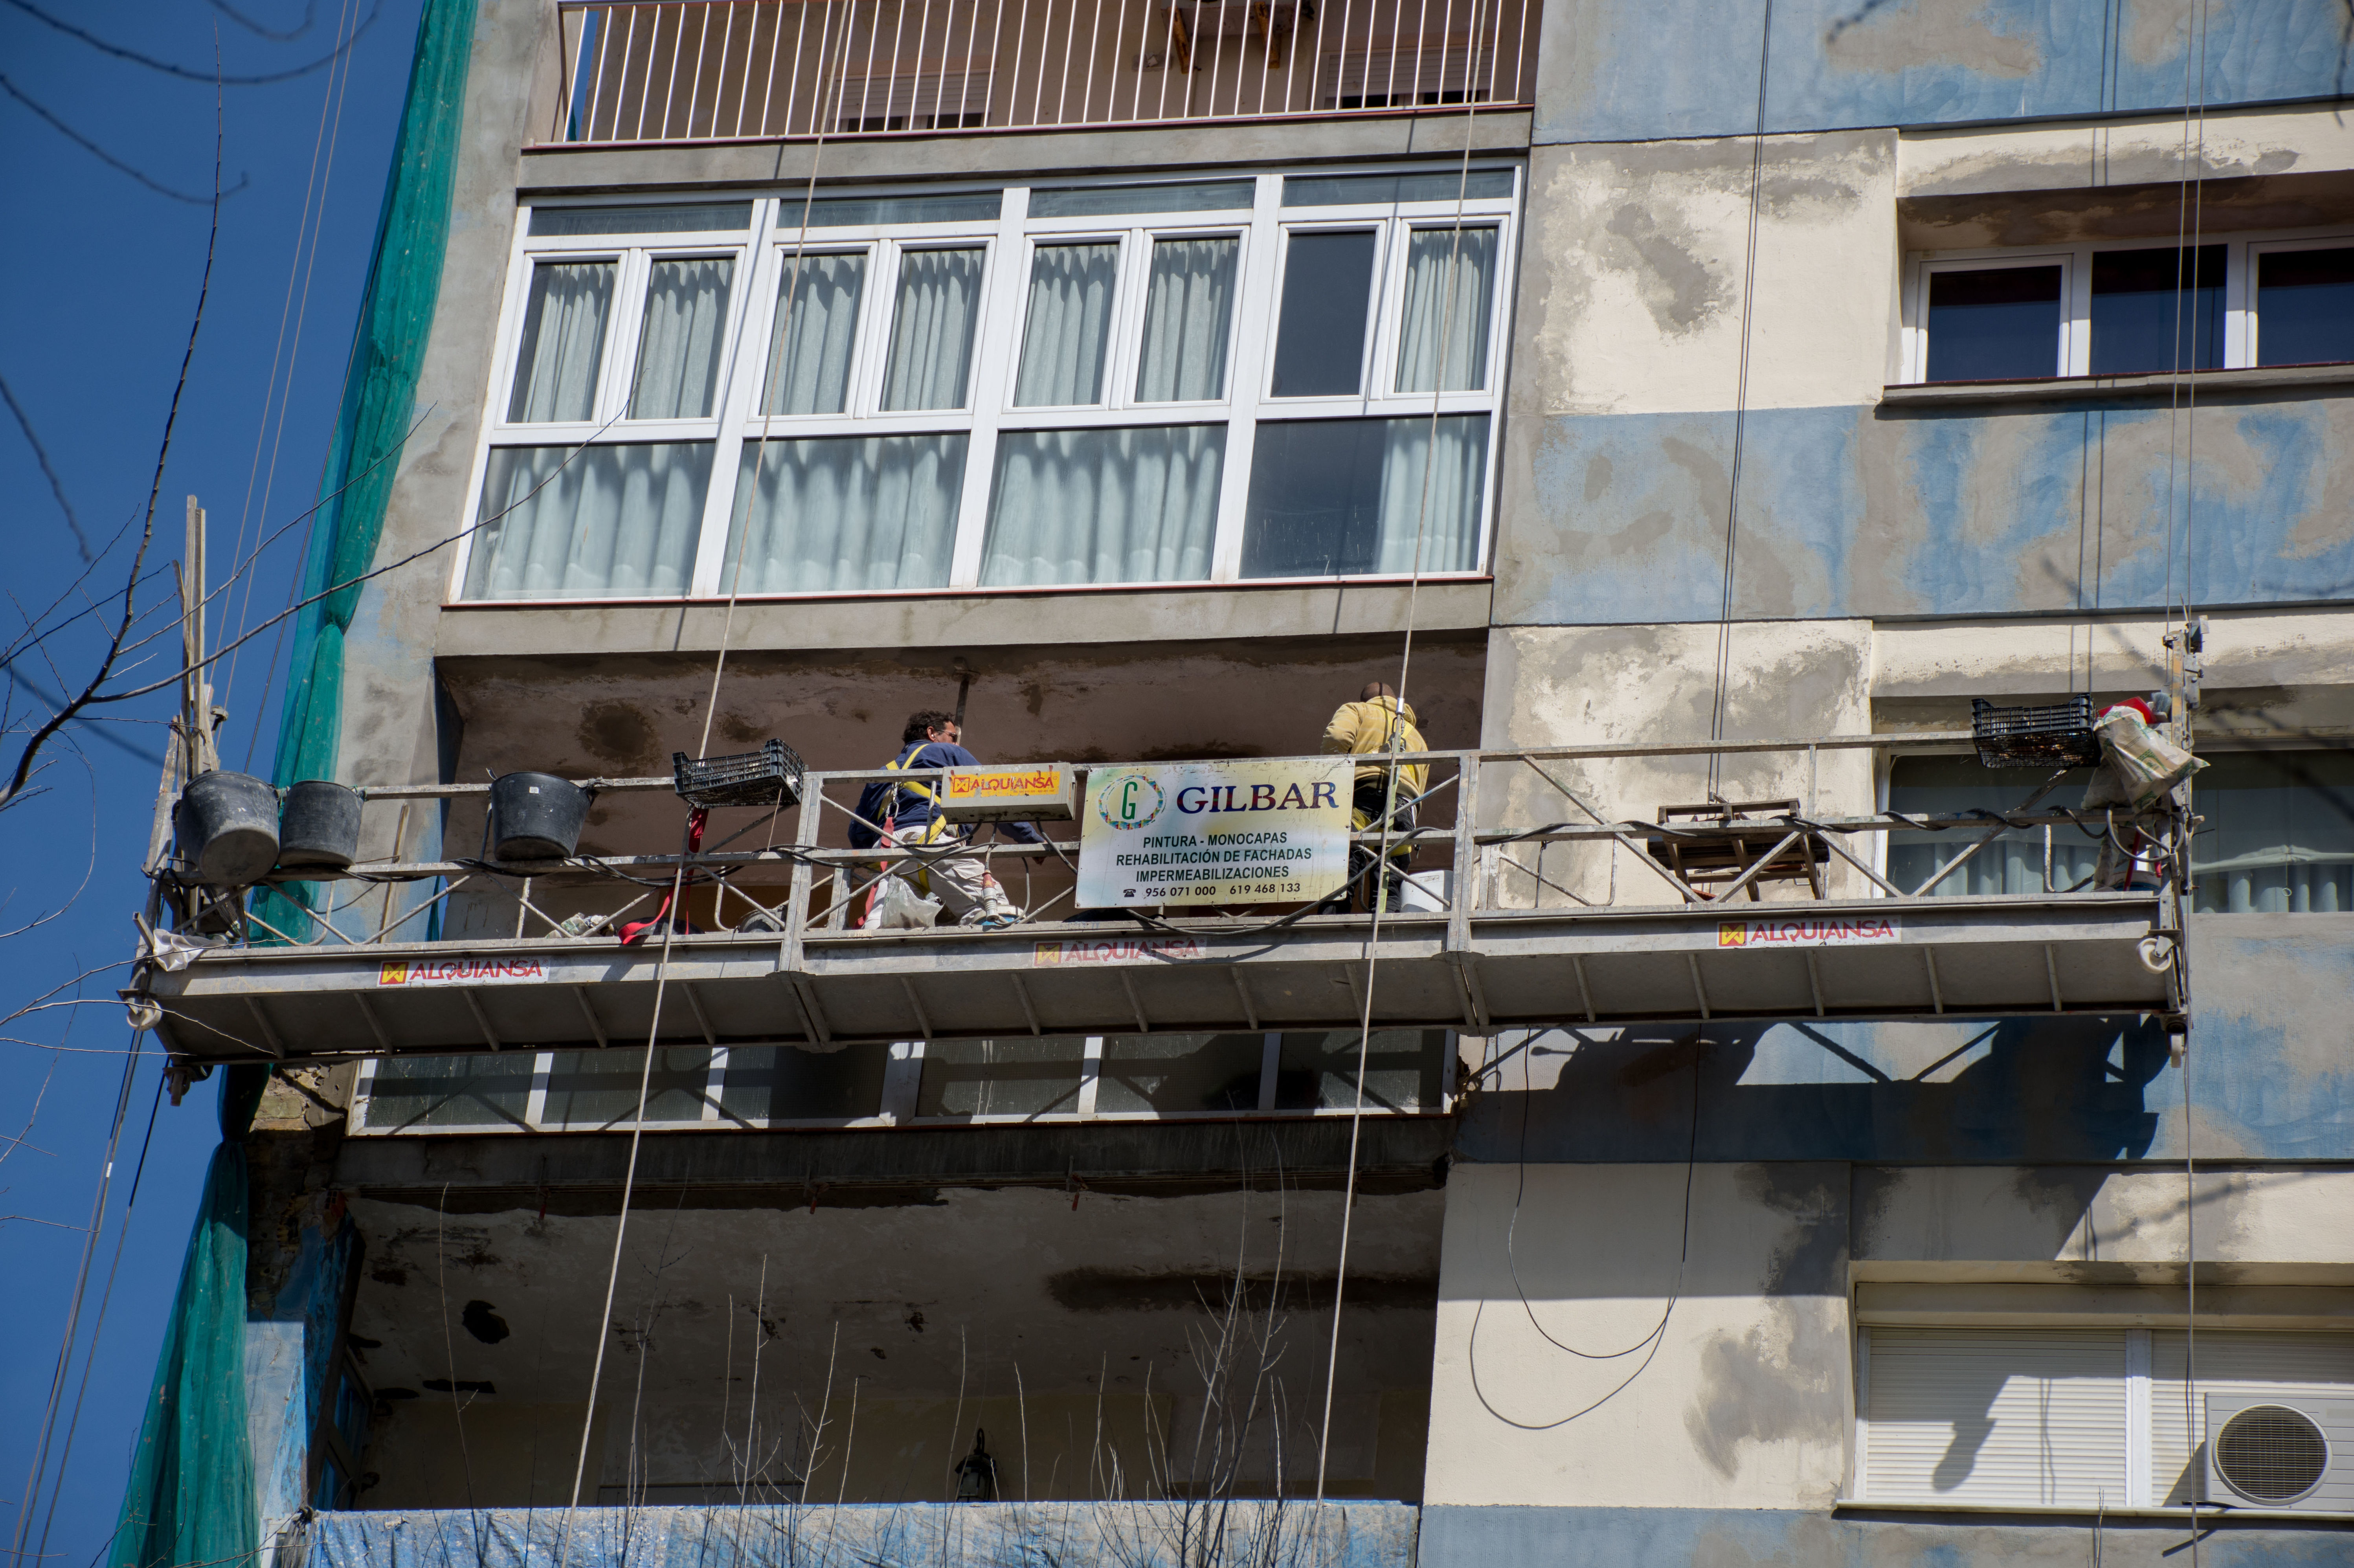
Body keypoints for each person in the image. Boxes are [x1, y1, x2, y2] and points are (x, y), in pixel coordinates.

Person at [850, 711, 1041, 929]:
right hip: (934, 845)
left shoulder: (882, 774)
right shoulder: (948, 752)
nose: (957, 743)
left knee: (883, 926)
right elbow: (993, 797)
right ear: (932, 733)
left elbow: (858, 833)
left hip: (889, 855)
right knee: (992, 910)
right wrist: (1030, 839)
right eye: (953, 736)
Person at [1320, 682, 1429, 913]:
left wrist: (1331, 774)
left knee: (1341, 880)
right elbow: (1420, 786)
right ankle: (1386, 940)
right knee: (1389, 891)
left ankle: (1328, 929)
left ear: (1365, 700)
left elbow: (1337, 736)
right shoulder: (1419, 738)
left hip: (1361, 798)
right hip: (1404, 809)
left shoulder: (1358, 711)